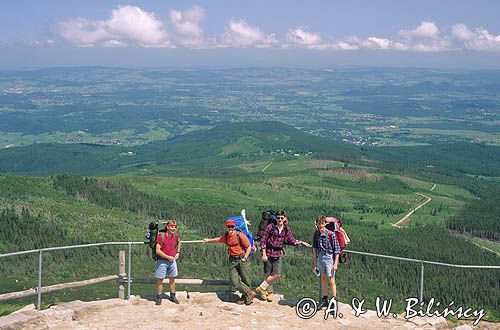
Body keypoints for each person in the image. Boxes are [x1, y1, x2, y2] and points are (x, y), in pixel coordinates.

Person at [255, 209, 309, 302]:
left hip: (278, 253)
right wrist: (263, 253)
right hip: (268, 252)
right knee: (267, 273)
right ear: (276, 218)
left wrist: (301, 242)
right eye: (278, 218)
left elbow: (291, 240)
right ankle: (268, 292)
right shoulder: (270, 227)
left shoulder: (286, 229)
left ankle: (261, 288)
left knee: (277, 274)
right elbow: (263, 240)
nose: (280, 219)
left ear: (284, 219)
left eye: (281, 218)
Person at [203, 219, 256, 305]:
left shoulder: (240, 235)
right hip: (233, 260)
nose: (230, 228)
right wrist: (208, 240)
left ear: (234, 227)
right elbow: (219, 239)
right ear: (226, 227)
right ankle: (249, 293)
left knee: (245, 279)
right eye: (228, 227)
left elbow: (249, 246)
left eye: (232, 227)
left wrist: (245, 257)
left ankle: (245, 297)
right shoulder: (226, 236)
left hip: (242, 258)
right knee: (235, 281)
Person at [312, 215, 341, 309]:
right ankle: (325, 300)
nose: (321, 225)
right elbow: (314, 249)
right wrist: (315, 262)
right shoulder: (316, 234)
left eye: (322, 223)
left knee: (332, 280)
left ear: (325, 224)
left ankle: (333, 302)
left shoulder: (331, 234)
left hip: (329, 258)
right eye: (319, 223)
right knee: (323, 278)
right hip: (320, 257)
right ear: (317, 224)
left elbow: (337, 250)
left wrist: (335, 263)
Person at [155, 220, 181, 306]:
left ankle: (172, 295)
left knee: (172, 279)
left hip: (172, 260)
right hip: (162, 261)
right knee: (160, 280)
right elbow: (157, 250)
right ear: (167, 227)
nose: (173, 228)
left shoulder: (176, 235)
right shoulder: (161, 236)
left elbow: (179, 242)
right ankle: (159, 297)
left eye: (174, 227)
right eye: (171, 226)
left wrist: (178, 252)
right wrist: (167, 257)